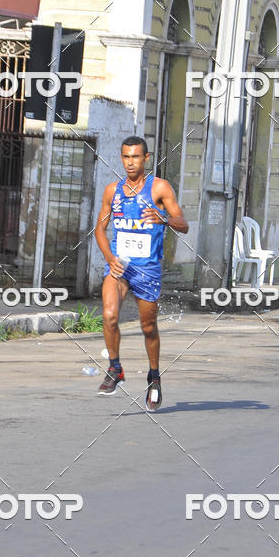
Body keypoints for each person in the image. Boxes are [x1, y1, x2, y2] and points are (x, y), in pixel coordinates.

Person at [94, 136, 189, 410]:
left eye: (135, 157)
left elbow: (184, 225)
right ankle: (115, 369)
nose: (130, 162)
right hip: (120, 266)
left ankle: (154, 376)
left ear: (146, 158)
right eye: (125, 157)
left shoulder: (159, 187)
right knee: (110, 315)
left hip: (147, 270)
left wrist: (164, 218)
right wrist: (110, 259)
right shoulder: (113, 191)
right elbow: (100, 229)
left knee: (148, 327)